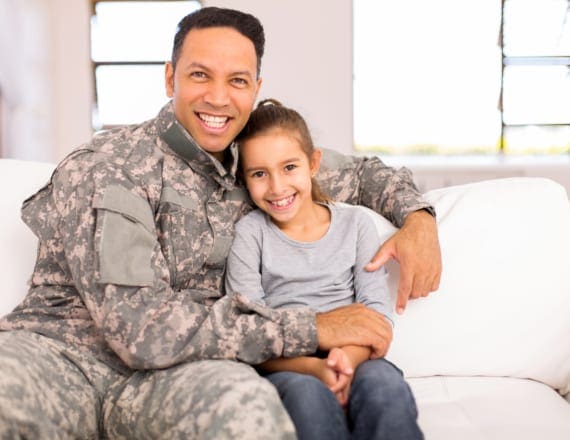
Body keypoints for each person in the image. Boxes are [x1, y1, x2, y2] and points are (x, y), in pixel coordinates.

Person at [0, 6, 439, 439]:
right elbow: (138, 327)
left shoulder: (257, 164)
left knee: (248, 412)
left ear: (256, 88)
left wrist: (419, 219)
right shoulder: (110, 166)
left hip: (176, 376)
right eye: (199, 75)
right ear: (170, 77)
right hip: (60, 355)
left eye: (238, 81)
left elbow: (365, 175)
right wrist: (314, 327)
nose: (218, 97)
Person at [225, 99, 423, 439]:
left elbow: (376, 315)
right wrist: (316, 368)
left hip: (357, 356)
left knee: (385, 391)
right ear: (245, 179)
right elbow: (248, 328)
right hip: (290, 364)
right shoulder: (250, 233)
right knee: (308, 400)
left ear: (313, 163)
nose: (277, 187)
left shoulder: (355, 224)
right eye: (260, 174)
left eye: (289, 167)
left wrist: (344, 361)